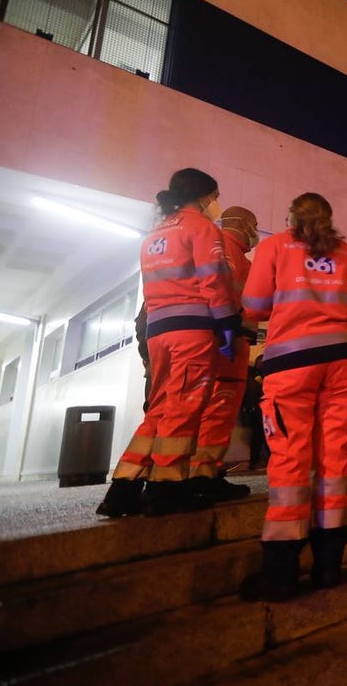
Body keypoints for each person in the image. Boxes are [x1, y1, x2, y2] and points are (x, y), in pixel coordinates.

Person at [239, 193, 347, 602]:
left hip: (292, 363)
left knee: (291, 461)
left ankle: (281, 572)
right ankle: (329, 565)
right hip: (343, 362)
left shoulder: (275, 246)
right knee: (334, 460)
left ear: (290, 217)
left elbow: (255, 305)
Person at [96, 168, 240, 518]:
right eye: (215, 197)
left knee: (160, 405)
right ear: (205, 197)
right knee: (186, 404)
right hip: (192, 329)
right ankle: (167, 487)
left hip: (159, 330)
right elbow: (214, 281)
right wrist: (228, 323)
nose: (216, 204)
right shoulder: (202, 228)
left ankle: (125, 486)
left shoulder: (154, 235)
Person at [189, 205, 260, 501]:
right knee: (220, 408)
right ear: (244, 225)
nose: (255, 232)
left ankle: (186, 473)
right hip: (230, 346)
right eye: (254, 225)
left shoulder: (206, 246)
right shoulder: (240, 261)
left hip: (200, 343)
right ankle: (206, 474)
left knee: (195, 409)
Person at [242, 354, 268, 469]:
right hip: (257, 410)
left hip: (259, 409)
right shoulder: (253, 376)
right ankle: (256, 460)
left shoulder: (256, 377)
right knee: (259, 437)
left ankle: (257, 460)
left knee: (260, 438)